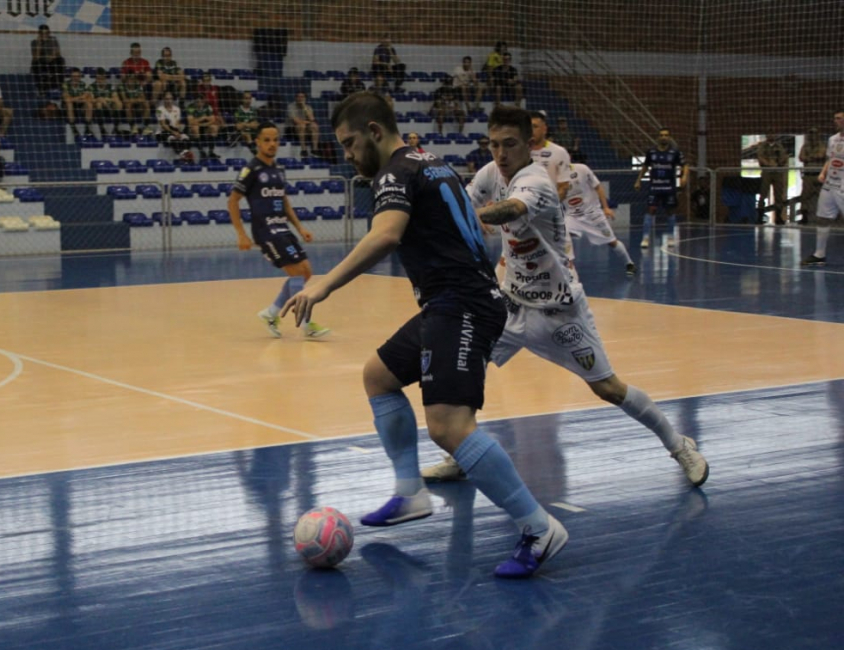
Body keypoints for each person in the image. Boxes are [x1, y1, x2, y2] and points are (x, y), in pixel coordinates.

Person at [281, 92, 565, 579]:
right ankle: (410, 491)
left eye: (350, 144)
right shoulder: (427, 160)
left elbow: (386, 234)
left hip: (462, 304)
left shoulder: (395, 172)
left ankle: (539, 528)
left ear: (374, 131)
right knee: (379, 375)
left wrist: (324, 283)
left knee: (449, 427)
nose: (348, 156)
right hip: (451, 301)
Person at [421, 107, 707, 494]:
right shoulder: (490, 173)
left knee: (608, 388)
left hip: (560, 310)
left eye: (510, 145)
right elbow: (465, 198)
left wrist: (462, 219)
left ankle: (679, 445)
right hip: (512, 304)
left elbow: (509, 210)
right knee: (467, 367)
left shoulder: (536, 180)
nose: (501, 153)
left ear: (529, 145)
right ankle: (460, 454)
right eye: (494, 145)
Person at [229, 123, 329, 341]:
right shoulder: (251, 169)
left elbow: (284, 202)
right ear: (257, 142)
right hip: (266, 231)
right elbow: (233, 201)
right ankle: (305, 323)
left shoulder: (278, 170)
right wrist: (241, 234)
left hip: (282, 228)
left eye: (275, 140)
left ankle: (271, 314)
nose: (272, 144)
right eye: (267, 140)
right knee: (297, 273)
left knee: (306, 272)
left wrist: (300, 227)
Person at [564, 163, 635, 275]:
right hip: (572, 216)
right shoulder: (553, 175)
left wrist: (606, 207)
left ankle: (629, 263)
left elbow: (598, 187)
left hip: (592, 214)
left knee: (612, 242)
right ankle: (568, 267)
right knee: (563, 235)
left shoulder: (582, 169)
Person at [633, 127, 687, 248]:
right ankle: (645, 238)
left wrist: (684, 177)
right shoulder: (651, 152)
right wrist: (638, 180)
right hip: (655, 186)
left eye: (666, 135)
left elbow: (685, 165)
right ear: (658, 137)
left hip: (669, 187)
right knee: (650, 210)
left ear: (669, 137)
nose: (663, 137)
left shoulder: (675, 152)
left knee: (670, 211)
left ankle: (671, 237)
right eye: (661, 135)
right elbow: (645, 166)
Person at [803, 110, 844, 266]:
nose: (836, 121)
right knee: (823, 218)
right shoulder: (833, 139)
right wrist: (823, 172)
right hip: (829, 184)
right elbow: (830, 158)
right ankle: (819, 254)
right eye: (835, 118)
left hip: (842, 186)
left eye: (840, 119)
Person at [529, 110, 571, 201]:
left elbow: (564, 187)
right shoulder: (517, 152)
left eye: (535, 127)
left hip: (549, 210)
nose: (531, 131)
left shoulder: (559, 152)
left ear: (544, 129)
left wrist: (548, 206)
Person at [757, 135, 789, 225]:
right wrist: (769, 164)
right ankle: (760, 215)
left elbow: (784, 157)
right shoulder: (762, 146)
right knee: (763, 193)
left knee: (778, 195)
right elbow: (760, 157)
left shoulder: (779, 146)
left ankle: (778, 216)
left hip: (777, 173)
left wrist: (778, 163)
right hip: (767, 172)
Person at [799, 126, 826, 225]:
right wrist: (813, 157)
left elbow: (821, 155)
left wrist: (809, 157)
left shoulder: (822, 145)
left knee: (822, 197)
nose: (813, 136)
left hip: (818, 175)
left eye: (814, 133)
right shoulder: (805, 146)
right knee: (805, 196)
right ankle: (804, 216)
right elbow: (801, 157)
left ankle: (822, 217)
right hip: (808, 175)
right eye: (811, 134)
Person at [186, 87, 221, 160]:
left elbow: (213, 120)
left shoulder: (208, 107)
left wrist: (202, 123)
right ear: (195, 101)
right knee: (195, 127)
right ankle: (201, 152)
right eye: (197, 101)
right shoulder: (191, 107)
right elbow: (190, 122)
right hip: (193, 131)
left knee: (214, 127)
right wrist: (202, 118)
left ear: (204, 101)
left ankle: (211, 152)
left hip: (204, 128)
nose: (199, 103)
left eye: (201, 101)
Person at [30, 25, 65, 98]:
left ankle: (58, 86)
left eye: (46, 33)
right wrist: (39, 44)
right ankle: (41, 88)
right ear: (39, 34)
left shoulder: (53, 40)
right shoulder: (34, 42)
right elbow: (35, 57)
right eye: (42, 33)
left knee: (60, 60)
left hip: (51, 61)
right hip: (41, 63)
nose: (45, 35)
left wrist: (51, 57)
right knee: (36, 64)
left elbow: (57, 53)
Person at [156, 92, 193, 161]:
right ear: (163, 99)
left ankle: (184, 153)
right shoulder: (159, 110)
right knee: (173, 138)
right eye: (167, 99)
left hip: (174, 130)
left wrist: (179, 129)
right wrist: (173, 132)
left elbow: (177, 123)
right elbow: (163, 125)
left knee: (186, 138)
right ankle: (183, 155)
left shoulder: (177, 109)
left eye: (170, 99)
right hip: (163, 132)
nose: (169, 101)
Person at [90, 67, 125, 137]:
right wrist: (99, 100)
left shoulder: (110, 86)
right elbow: (91, 99)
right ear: (96, 78)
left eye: (102, 79)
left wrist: (104, 99)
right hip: (99, 109)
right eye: (98, 79)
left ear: (105, 78)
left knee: (119, 104)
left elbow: (115, 98)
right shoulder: (92, 86)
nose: (100, 81)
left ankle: (115, 128)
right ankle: (102, 129)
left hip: (109, 108)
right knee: (98, 104)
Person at [61, 67, 93, 139]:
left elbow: (86, 97)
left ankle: (87, 128)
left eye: (77, 76)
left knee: (89, 104)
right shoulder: (66, 84)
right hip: (68, 106)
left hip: (80, 106)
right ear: (71, 77)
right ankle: (73, 128)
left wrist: (74, 98)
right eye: (74, 76)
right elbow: (66, 99)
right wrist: (78, 98)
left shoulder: (83, 84)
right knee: (69, 104)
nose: (76, 78)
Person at [287, 91, 320, 158]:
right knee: (301, 126)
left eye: (302, 97)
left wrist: (304, 107)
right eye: (298, 97)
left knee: (314, 126)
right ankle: (303, 150)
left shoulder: (308, 107)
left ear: (305, 98)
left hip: (306, 128)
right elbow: (296, 121)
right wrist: (307, 122)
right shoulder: (291, 106)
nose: (300, 98)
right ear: (295, 98)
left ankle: (314, 149)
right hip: (292, 129)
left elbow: (312, 119)